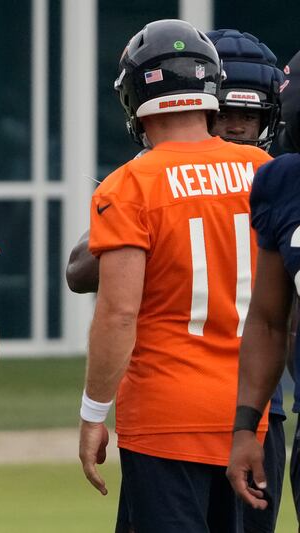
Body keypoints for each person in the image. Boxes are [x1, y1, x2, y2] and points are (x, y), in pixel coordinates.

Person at [69, 28, 286, 532]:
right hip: (253, 413)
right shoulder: (263, 169)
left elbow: (118, 313)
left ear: (134, 96)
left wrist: (93, 412)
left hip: (167, 414)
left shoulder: (131, 184)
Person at [227, 48, 300, 525]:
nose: (235, 127)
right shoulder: (282, 181)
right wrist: (245, 428)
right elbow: (270, 321)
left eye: (247, 116)